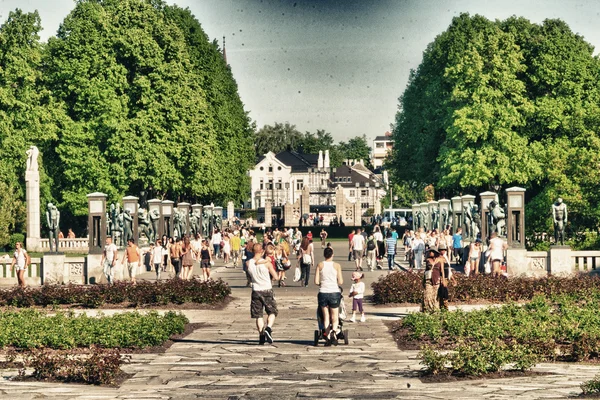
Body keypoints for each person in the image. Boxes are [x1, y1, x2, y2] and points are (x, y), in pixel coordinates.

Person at [247, 243, 279, 344]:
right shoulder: (267, 263)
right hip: (267, 289)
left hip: (256, 290)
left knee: (258, 315)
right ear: (262, 251)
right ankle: (268, 329)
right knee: (272, 312)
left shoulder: (248, 263)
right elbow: (276, 277)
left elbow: (249, 276)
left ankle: (261, 336)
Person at [314, 247, 344, 345]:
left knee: (326, 316)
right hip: (334, 291)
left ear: (324, 255)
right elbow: (340, 281)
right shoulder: (337, 265)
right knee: (334, 316)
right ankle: (334, 332)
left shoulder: (320, 265)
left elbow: (316, 281)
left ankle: (327, 336)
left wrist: (322, 283)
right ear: (332, 255)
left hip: (323, 292)